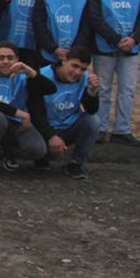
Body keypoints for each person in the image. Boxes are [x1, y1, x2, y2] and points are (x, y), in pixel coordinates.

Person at [84, 0, 140, 146]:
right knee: (102, 89)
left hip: (131, 48)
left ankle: (122, 130)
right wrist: (116, 39)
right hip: (105, 47)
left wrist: (134, 38)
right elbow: (94, 18)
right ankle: (100, 128)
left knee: (127, 90)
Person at [0, 42, 55, 174]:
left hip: (15, 123)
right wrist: (20, 113)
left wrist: (31, 72)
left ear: (17, 59)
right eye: (1, 58)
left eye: (10, 58)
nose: (5, 61)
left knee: (38, 149)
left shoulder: (23, 75)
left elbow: (51, 89)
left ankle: (6, 152)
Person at [32, 47, 101, 179]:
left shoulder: (85, 79)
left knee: (93, 121)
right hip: (42, 129)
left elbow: (91, 110)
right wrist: (51, 136)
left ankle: (76, 163)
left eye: (82, 69)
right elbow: (35, 112)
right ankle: (41, 157)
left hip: (67, 127)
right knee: (34, 147)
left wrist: (92, 92)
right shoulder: (42, 75)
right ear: (64, 60)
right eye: (74, 66)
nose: (77, 72)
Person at [32, 0, 91, 65]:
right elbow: (39, 24)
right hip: (48, 54)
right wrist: (53, 48)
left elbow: (86, 26)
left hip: (74, 55)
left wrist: (75, 50)